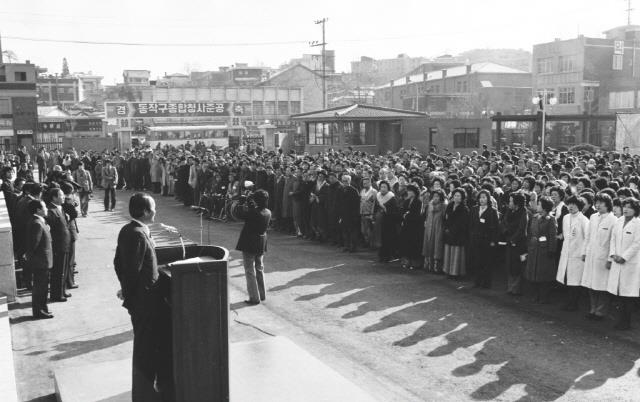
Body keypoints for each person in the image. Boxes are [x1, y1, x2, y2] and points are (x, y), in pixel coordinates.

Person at [113, 193, 172, 400]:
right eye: (153, 207)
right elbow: (130, 270)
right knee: (145, 351)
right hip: (145, 304)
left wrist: (126, 289)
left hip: (143, 301)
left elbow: (119, 263)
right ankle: (145, 395)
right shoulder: (137, 234)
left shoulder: (130, 230)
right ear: (146, 211)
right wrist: (131, 295)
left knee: (147, 348)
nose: (156, 211)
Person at [581, 193, 617, 321]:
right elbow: (588, 236)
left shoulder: (613, 220)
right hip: (591, 255)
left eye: (601, 203)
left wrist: (610, 259)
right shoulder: (593, 217)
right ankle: (592, 309)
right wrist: (584, 252)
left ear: (607, 204)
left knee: (601, 286)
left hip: (603, 257)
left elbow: (613, 241)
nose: (598, 205)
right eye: (596, 202)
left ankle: (600, 312)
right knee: (591, 284)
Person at [607, 197, 640, 330]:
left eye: (630, 207)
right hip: (616, 260)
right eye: (624, 206)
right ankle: (620, 320)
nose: (626, 209)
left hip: (630, 264)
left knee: (628, 295)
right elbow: (613, 239)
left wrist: (624, 257)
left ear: (635, 210)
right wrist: (613, 254)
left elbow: (637, 244)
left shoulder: (638, 224)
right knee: (619, 293)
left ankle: (626, 322)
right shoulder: (619, 221)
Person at [235, 190, 272, 305]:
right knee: (259, 268)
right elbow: (254, 212)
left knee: (249, 270)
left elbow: (239, 214)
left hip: (250, 242)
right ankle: (261, 294)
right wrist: (251, 204)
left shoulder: (254, 213)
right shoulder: (268, 212)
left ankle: (254, 297)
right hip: (261, 242)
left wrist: (241, 203)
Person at [556, 195, 589, 311]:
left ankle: (574, 304)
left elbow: (587, 238)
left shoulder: (584, 220)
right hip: (566, 252)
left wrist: (583, 252)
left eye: (574, 205)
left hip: (578, 254)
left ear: (579, 206)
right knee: (566, 279)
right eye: (569, 204)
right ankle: (568, 302)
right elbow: (565, 235)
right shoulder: (565, 217)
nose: (571, 207)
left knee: (575, 281)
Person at [524, 196, 558, 303]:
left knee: (543, 274)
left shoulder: (550, 219)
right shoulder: (534, 217)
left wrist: (551, 250)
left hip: (544, 250)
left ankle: (543, 297)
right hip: (534, 248)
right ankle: (535, 295)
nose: (537, 206)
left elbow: (553, 236)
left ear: (544, 207)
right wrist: (529, 246)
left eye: (539, 204)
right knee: (533, 272)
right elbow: (530, 233)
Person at [24, 199, 53, 319]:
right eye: (44, 206)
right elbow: (33, 245)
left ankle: (43, 309)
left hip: (43, 261)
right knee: (40, 288)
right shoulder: (37, 223)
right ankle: (39, 311)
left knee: (43, 287)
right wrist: (31, 260)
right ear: (38, 210)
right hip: (40, 262)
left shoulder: (40, 221)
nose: (46, 209)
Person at [469, 190, 499, 288]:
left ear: (488, 199)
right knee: (477, 261)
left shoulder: (492, 211)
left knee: (486, 262)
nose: (482, 199)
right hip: (476, 239)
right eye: (480, 197)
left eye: (484, 197)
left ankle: (486, 283)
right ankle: (477, 281)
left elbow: (495, 228)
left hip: (487, 240)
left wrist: (493, 241)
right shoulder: (474, 209)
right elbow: (471, 225)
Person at [47, 187, 71, 302]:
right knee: (58, 271)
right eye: (61, 195)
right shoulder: (51, 211)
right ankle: (56, 294)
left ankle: (62, 291)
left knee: (64, 270)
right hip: (58, 245)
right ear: (54, 197)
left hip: (65, 244)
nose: (63, 197)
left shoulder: (60, 208)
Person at [502, 192, 528, 295]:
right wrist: (505, 231)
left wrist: (513, 239)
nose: (509, 203)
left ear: (517, 203)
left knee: (517, 266)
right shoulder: (509, 211)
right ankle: (510, 287)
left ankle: (516, 289)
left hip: (518, 243)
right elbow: (503, 222)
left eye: (511, 201)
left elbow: (522, 229)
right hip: (509, 240)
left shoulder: (524, 213)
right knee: (510, 265)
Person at [442, 188, 469, 279]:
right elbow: (445, 218)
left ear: (462, 198)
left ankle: (455, 273)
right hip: (448, 233)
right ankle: (448, 271)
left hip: (458, 235)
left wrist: (452, 230)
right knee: (448, 252)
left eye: (458, 196)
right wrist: (446, 228)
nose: (456, 197)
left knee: (456, 253)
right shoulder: (450, 205)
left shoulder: (464, 209)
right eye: (455, 195)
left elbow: (462, 223)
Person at [399, 184, 423, 269]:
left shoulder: (418, 202)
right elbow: (403, 211)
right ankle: (406, 261)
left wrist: (407, 215)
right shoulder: (406, 201)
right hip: (406, 225)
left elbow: (416, 215)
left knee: (413, 244)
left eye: (410, 191)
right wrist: (405, 215)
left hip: (414, 226)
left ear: (414, 192)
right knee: (406, 243)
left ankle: (414, 262)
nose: (408, 192)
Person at [423, 189, 447, 274]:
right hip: (429, 228)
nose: (435, 198)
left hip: (438, 229)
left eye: (437, 196)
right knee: (428, 245)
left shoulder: (444, 206)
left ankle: (437, 267)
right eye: (434, 196)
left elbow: (445, 218)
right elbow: (426, 216)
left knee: (437, 246)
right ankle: (429, 265)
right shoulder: (429, 205)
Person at [375, 181, 399, 263]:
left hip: (388, 222)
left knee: (387, 239)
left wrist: (386, 210)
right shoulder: (378, 196)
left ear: (388, 188)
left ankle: (388, 256)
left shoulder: (392, 198)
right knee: (379, 238)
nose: (382, 189)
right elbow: (375, 208)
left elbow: (395, 211)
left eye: (384, 187)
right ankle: (381, 255)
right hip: (379, 221)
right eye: (381, 187)